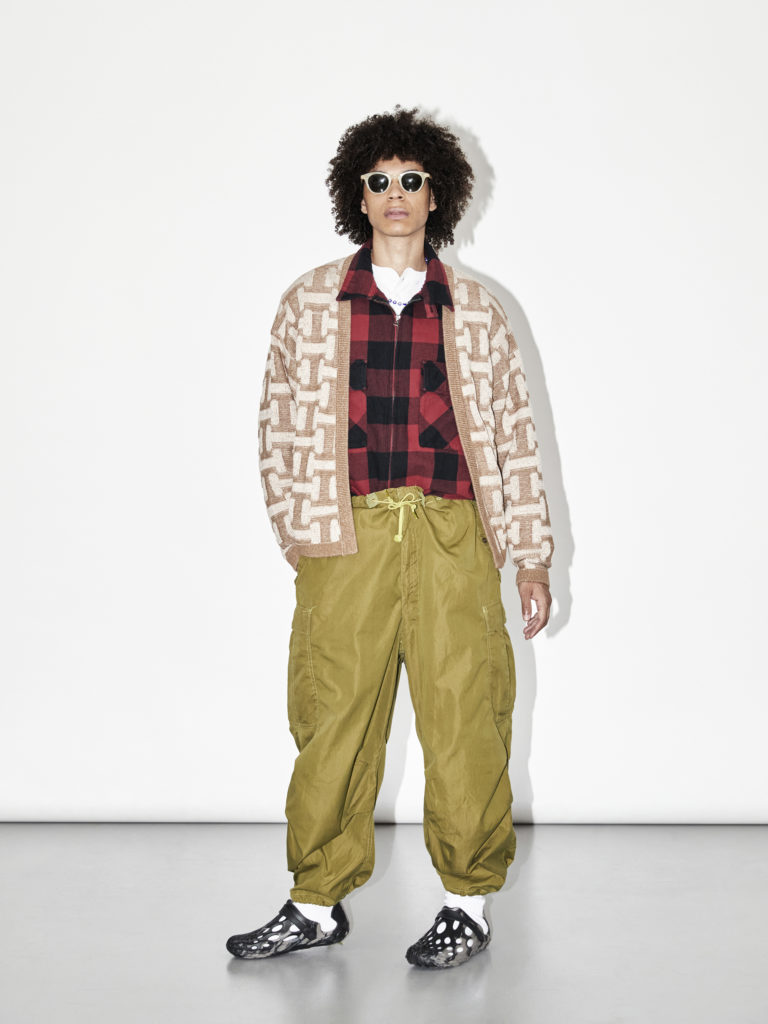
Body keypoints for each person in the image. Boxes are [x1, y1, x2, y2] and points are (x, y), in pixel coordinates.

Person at [226, 106, 554, 969]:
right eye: (379, 181)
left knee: (465, 715)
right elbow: (276, 423)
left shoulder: (477, 310)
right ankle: (315, 901)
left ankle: (467, 904)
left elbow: (515, 435)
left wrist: (530, 554)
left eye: (412, 179)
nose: (396, 194)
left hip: (454, 535)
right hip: (350, 535)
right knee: (332, 715)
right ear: (358, 196)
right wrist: (299, 534)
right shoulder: (311, 301)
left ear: (437, 194)